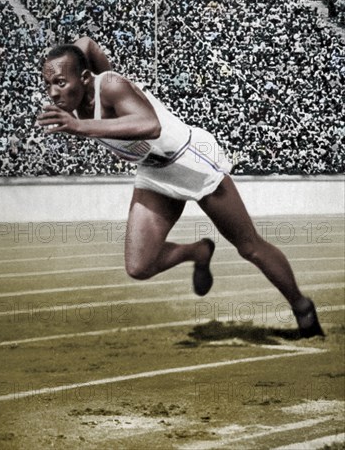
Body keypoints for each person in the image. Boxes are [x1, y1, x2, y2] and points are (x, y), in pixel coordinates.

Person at [37, 36, 324, 339]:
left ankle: (301, 306)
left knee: (249, 247)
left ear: (83, 77)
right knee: (139, 266)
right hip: (155, 171)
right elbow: (85, 44)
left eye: (60, 82)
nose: (54, 93)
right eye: (48, 85)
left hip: (189, 160)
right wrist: (70, 62)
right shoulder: (79, 96)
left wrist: (82, 125)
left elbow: (151, 125)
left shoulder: (109, 86)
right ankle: (198, 252)